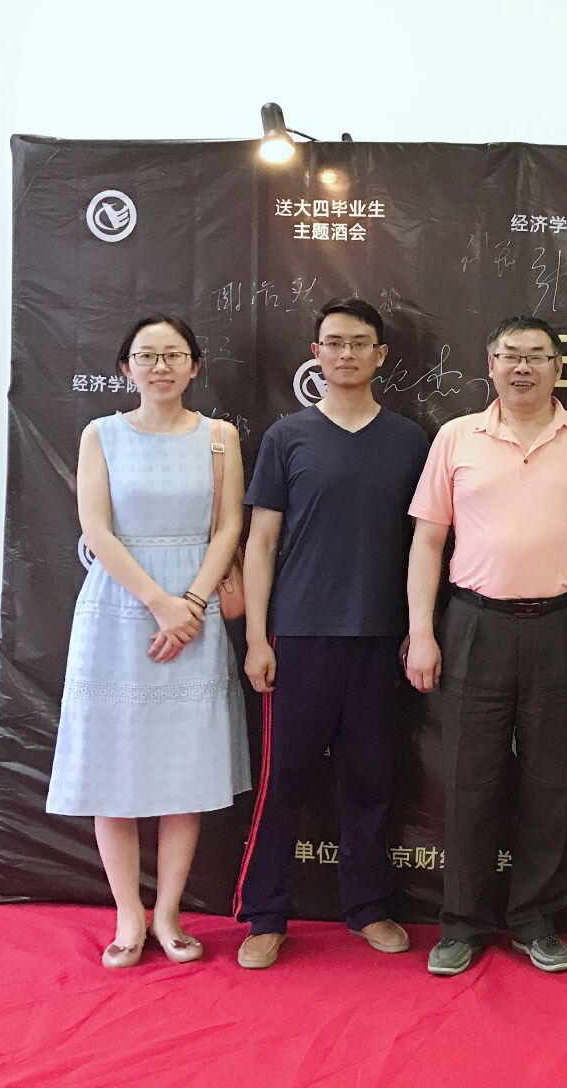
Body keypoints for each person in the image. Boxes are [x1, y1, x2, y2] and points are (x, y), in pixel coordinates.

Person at [405, 317, 567, 978]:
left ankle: (536, 921)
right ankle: (462, 923)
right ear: (491, 364)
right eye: (510, 356)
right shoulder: (457, 437)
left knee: (551, 781)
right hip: (474, 624)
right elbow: (427, 541)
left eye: (537, 357)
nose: (522, 368)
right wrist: (421, 631)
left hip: (566, 624)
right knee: (469, 779)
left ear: (558, 368)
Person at [47, 315, 250, 967]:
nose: (160, 366)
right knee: (114, 768)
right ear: (125, 367)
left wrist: (191, 603)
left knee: (183, 768)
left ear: (194, 365)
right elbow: (96, 528)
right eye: (147, 355)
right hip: (119, 606)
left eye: (173, 354)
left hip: (197, 605)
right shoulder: (101, 434)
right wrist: (160, 603)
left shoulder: (219, 437)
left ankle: (168, 914)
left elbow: (229, 528)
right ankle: (127, 917)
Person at [233, 299, 430, 969]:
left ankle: (368, 907)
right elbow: (261, 543)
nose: (347, 354)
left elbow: (424, 544)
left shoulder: (409, 440)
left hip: (380, 639)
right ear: (315, 354)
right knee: (283, 780)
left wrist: (416, 629)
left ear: (380, 355)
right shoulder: (287, 437)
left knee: (370, 780)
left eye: (360, 343)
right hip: (298, 637)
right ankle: (265, 914)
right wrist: (258, 638)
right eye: (335, 343)